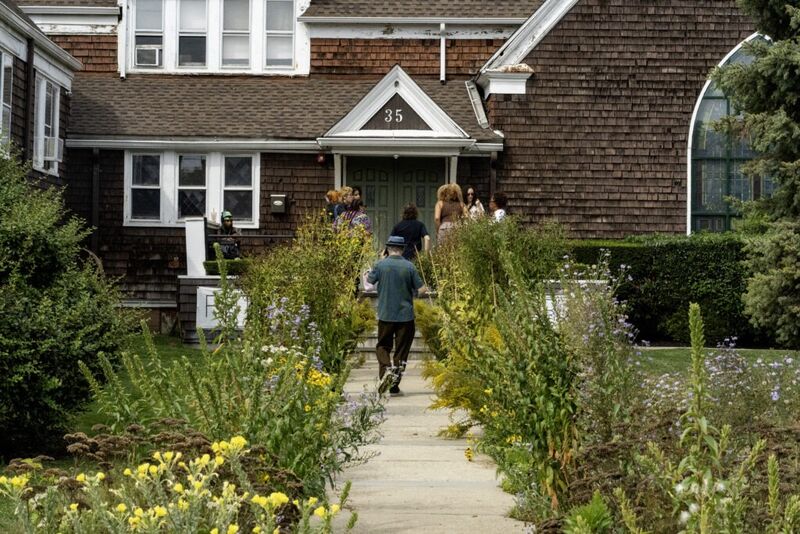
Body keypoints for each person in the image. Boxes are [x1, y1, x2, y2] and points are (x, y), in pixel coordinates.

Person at [367, 235, 427, 395]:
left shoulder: (381, 265)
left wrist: (380, 261)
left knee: (382, 346)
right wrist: (415, 293)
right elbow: (422, 289)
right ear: (402, 249)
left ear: (387, 249)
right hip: (405, 316)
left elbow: (368, 285)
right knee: (402, 351)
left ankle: (385, 370)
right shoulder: (409, 267)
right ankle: (394, 384)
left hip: (386, 313)